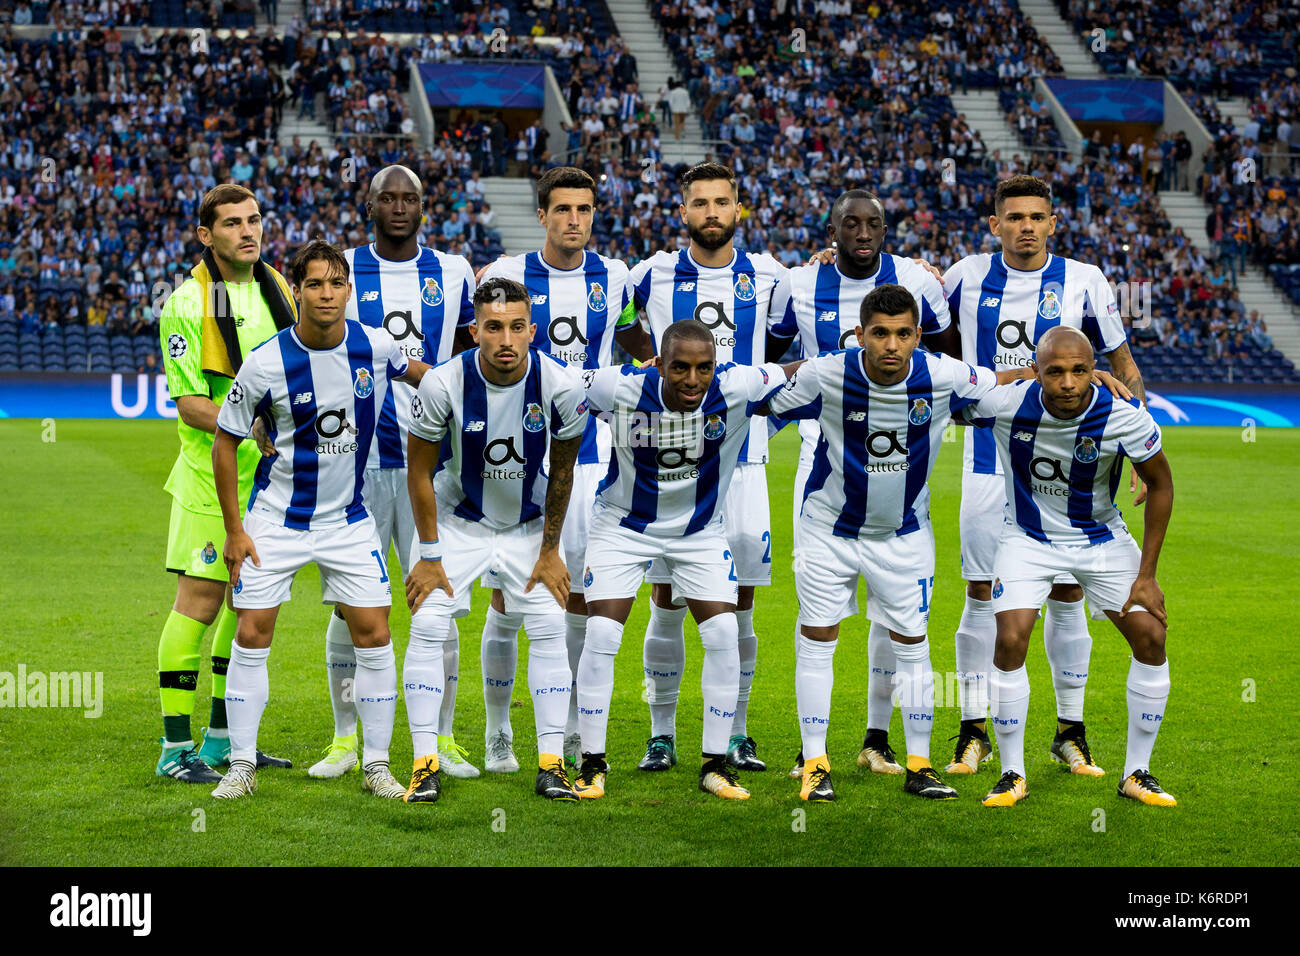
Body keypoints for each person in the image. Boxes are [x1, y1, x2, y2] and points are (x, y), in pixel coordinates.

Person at [765, 283, 1026, 801]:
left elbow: (1004, 382)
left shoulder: (944, 375)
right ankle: (816, 761)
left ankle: (919, 764)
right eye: (879, 334)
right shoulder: (828, 373)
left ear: (918, 336)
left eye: (902, 334)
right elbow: (758, 399)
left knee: (912, 645)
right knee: (818, 640)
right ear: (859, 335)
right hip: (827, 532)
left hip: (904, 536)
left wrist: (1082, 379)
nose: (891, 345)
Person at [210, 239, 432, 800]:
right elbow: (224, 442)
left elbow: (428, 378)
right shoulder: (265, 361)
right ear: (298, 290)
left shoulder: (376, 346)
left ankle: (377, 764)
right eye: (314, 284)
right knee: (252, 633)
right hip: (275, 522)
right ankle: (241, 765)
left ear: (348, 290)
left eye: (336, 283)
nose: (326, 294)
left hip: (349, 522)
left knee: (375, 635)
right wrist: (236, 531)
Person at [942, 174, 1147, 780]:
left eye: (1038, 216)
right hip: (988, 462)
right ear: (994, 224)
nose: (1026, 226)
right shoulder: (961, 276)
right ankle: (972, 730)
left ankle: (1069, 731)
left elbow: (1122, 363)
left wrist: (1137, 442)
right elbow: (907, 314)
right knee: (984, 594)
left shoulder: (1086, 279)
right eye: (1014, 216)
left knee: (1068, 592)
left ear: (1053, 223)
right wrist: (826, 254)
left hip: (1067, 466)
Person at [766, 188, 958, 779]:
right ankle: (813, 752)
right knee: (820, 622)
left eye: (873, 223)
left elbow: (959, 363)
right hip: (822, 458)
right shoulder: (799, 283)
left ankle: (882, 740)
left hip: (903, 474)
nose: (863, 232)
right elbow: (770, 365)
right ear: (832, 231)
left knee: (898, 624)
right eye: (851, 224)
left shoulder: (920, 286)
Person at [572, 320, 796, 801]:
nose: (692, 380)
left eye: (703, 369)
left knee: (721, 631)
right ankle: (592, 762)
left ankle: (715, 765)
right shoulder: (620, 386)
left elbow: (802, 370)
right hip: (623, 526)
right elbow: (561, 386)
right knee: (603, 632)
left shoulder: (737, 385)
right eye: (679, 368)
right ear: (658, 363)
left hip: (699, 532)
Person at [956, 327, 1175, 808]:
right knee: (1010, 638)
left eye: (1080, 370)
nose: (1069, 382)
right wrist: (1011, 375)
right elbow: (949, 393)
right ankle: (1013, 774)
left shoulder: (1122, 415)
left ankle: (1137, 772)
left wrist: (1147, 575)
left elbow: (1161, 485)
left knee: (1151, 637)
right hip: (1027, 539)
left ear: (1093, 370)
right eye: (1054, 371)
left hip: (1101, 539)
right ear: (1036, 372)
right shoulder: (1006, 403)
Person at [308, 166, 479, 781]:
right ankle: (343, 739)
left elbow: (471, 358)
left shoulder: (455, 271)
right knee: (348, 607)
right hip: (360, 465)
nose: (400, 207)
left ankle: (445, 737)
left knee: (439, 599)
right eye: (388, 198)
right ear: (371, 203)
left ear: (423, 205)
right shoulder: (344, 269)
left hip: (436, 467)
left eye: (410, 198)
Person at [476, 167, 648, 772]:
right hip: (513, 457)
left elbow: (638, 346)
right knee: (504, 598)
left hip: (589, 458)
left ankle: (573, 729)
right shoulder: (507, 276)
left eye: (584, 209)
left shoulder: (617, 276)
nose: (574, 220)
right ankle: (498, 733)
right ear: (543, 215)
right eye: (562, 209)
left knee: (572, 595)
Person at [622, 162, 788, 774]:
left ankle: (737, 731)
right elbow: (615, 317)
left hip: (743, 461)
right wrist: (650, 367)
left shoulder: (771, 275)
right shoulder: (652, 272)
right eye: (700, 203)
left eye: (722, 202)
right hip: (671, 462)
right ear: (683, 211)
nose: (712, 213)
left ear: (738, 208)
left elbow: (791, 341)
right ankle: (661, 734)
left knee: (739, 602)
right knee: (666, 596)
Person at [401, 277, 587, 804]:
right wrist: (431, 556)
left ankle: (551, 764)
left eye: (515, 327)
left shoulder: (562, 386)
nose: (505, 339)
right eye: (492, 327)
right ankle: (424, 763)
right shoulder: (441, 383)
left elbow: (563, 474)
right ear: (474, 331)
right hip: (458, 524)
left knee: (551, 624)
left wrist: (550, 551)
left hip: (528, 527)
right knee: (429, 624)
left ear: (532, 330)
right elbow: (420, 475)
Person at [154, 184, 296, 783]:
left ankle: (221, 742)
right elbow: (189, 404)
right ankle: (172, 749)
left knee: (247, 611)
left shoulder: (276, 288)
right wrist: (253, 424)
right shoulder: (187, 304)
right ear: (205, 235)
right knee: (201, 605)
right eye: (233, 223)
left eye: (254, 220)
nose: (248, 231)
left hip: (268, 483)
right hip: (211, 484)